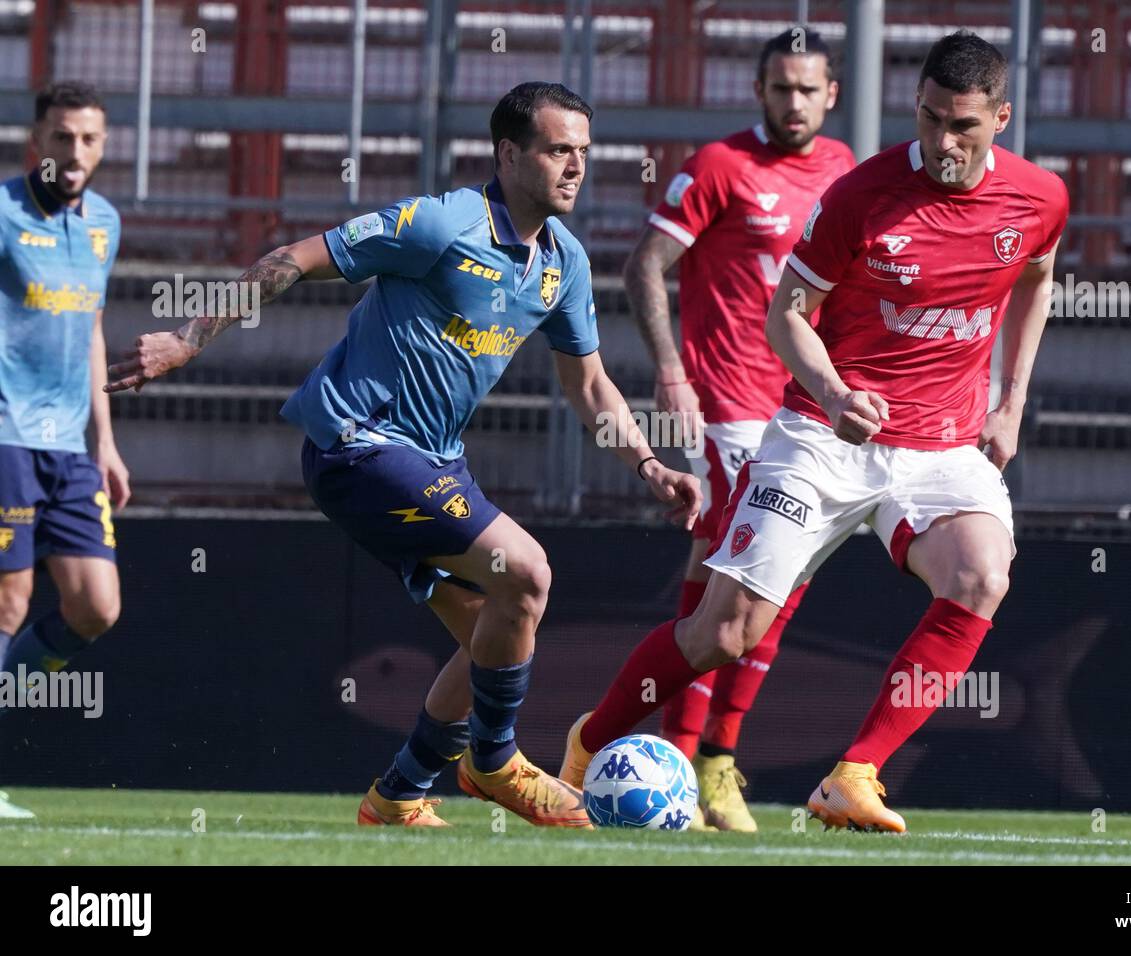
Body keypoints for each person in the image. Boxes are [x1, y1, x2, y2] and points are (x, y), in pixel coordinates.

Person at [106, 82, 701, 829]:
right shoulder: (441, 223)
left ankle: (397, 793)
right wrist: (186, 339)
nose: (576, 166)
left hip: (432, 464)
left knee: (494, 626)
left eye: (584, 152)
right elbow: (292, 258)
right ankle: (495, 762)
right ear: (510, 153)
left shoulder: (564, 264)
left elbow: (589, 385)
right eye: (558, 150)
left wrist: (648, 464)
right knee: (527, 570)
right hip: (356, 444)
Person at [561, 31, 1068, 832]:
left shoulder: (1040, 198)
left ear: (1000, 118)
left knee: (981, 577)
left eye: (963, 126)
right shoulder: (863, 194)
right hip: (821, 436)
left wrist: (1011, 402)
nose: (942, 141)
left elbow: (1037, 277)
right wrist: (833, 393)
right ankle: (587, 747)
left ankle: (854, 775)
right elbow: (784, 314)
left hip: (941, 445)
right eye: (931, 119)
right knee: (723, 633)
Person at [625, 28, 855, 831]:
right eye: (780, 87)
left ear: (832, 94)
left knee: (759, 581)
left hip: (805, 408)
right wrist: (671, 372)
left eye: (807, 89)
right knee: (758, 577)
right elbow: (645, 262)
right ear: (760, 92)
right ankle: (695, 759)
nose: (793, 102)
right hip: (729, 405)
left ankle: (697, 758)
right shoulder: (721, 166)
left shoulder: (845, 170)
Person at [0, 82, 127, 820]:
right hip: (6, 437)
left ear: (102, 147)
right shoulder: (5, 212)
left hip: (70, 449)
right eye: (61, 137)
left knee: (93, 607)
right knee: (10, 601)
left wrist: (105, 441)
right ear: (36, 143)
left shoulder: (105, 222)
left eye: (88, 139)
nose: (74, 152)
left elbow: (92, 330)